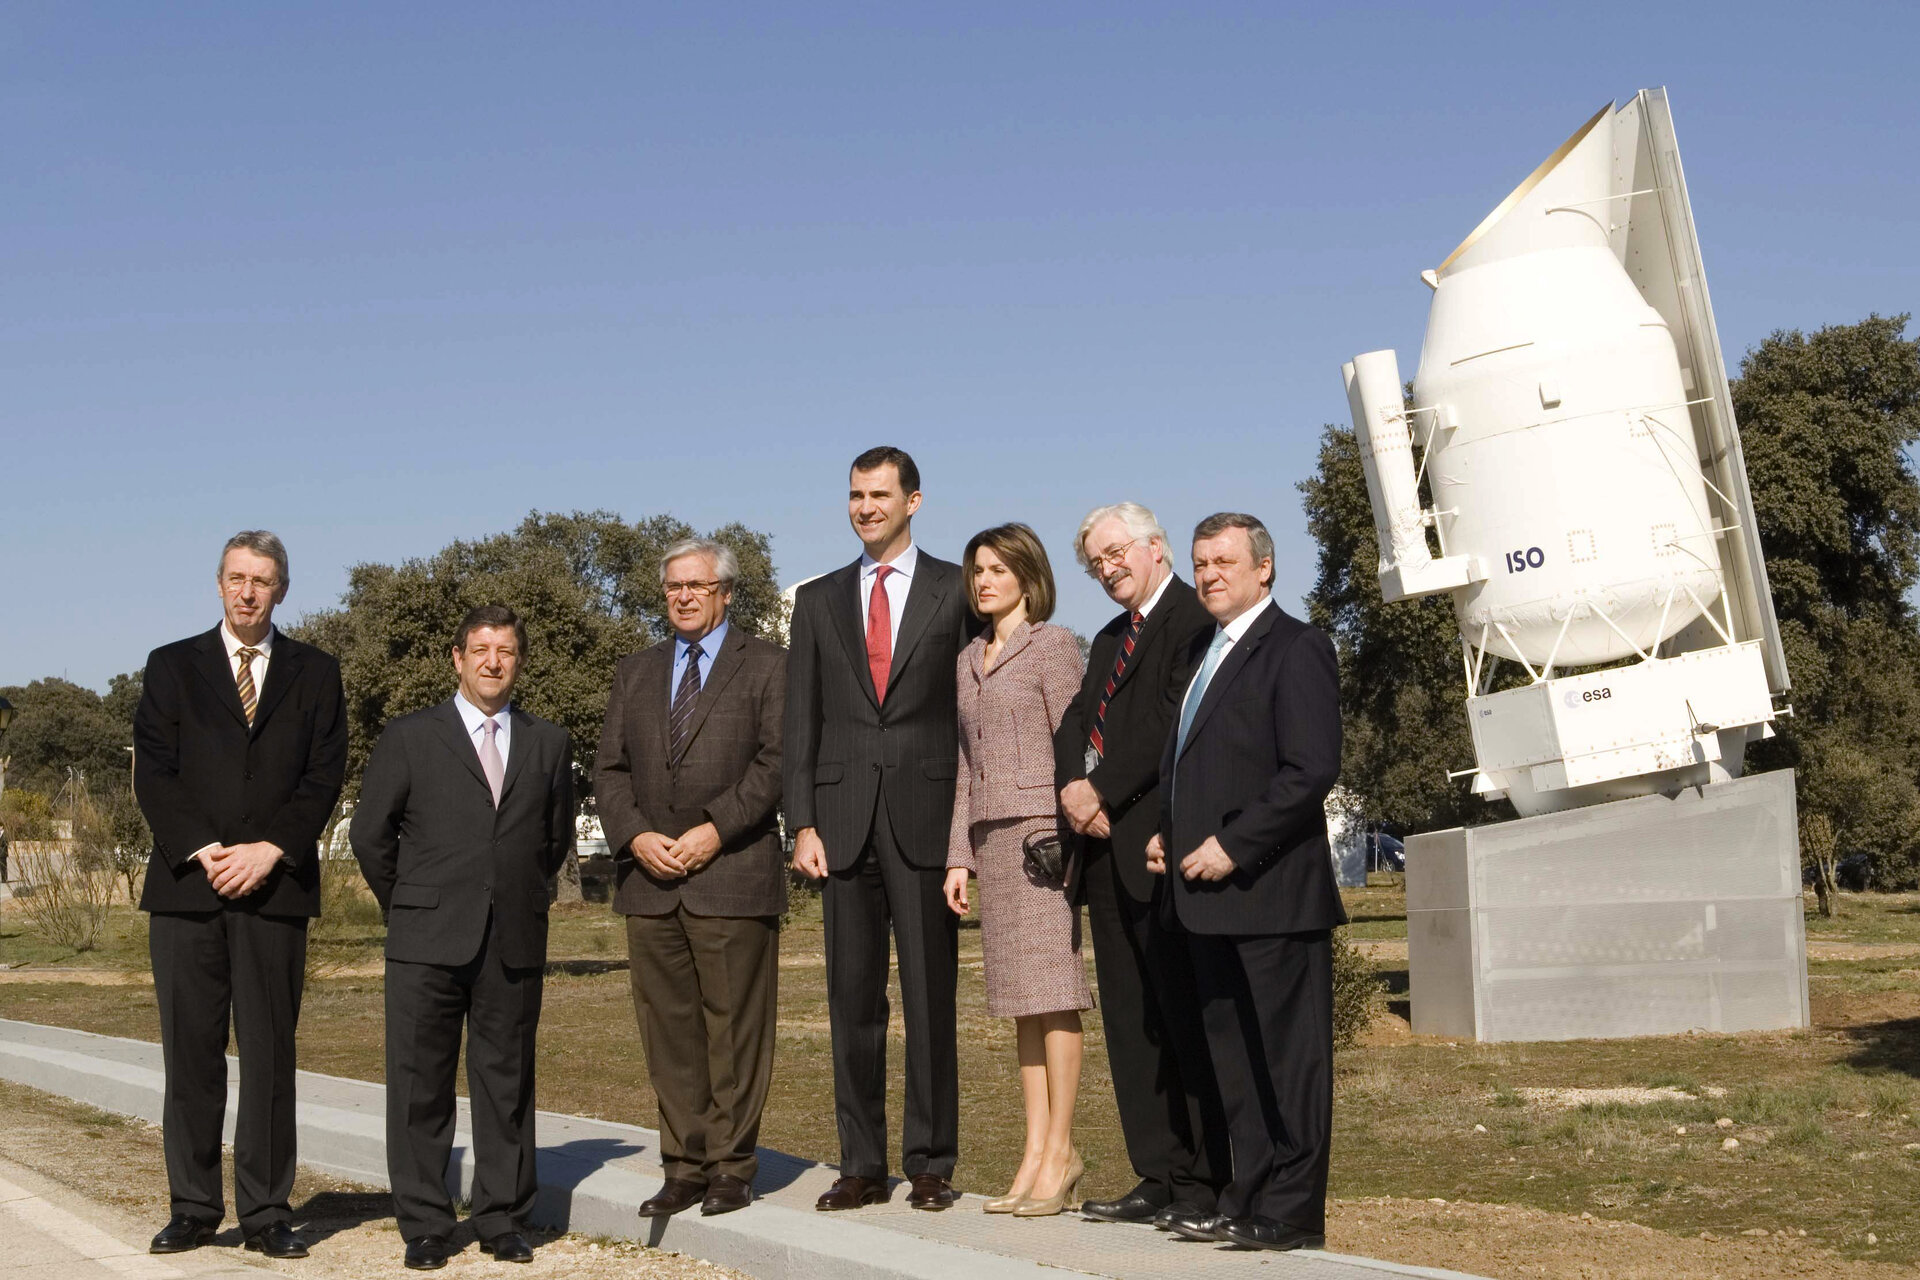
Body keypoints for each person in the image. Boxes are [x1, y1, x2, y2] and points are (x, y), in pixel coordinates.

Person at [132, 531, 347, 1259]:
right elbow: (155, 772)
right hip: (188, 889)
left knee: (268, 1057)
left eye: (262, 580)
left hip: (274, 891)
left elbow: (323, 776)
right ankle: (193, 1207)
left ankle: (265, 1212)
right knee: (190, 1057)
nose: (247, 591)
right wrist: (205, 850)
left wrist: (270, 850)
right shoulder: (171, 667)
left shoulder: (317, 673)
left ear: (281, 590)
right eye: (236, 578)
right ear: (219, 584)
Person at [349, 606, 575, 1270]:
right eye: (480, 649)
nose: (492, 661)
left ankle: (502, 1216)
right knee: (419, 1084)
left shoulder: (548, 743)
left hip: (512, 939)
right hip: (424, 941)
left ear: (519, 661)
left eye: (505, 650)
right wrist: (410, 904)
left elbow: (552, 840)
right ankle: (424, 1222)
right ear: (457, 657)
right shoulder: (411, 737)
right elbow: (370, 836)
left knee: (506, 1084)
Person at [1147, 513, 1345, 1253]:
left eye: (1224, 561)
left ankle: (1292, 1211)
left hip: (1272, 895)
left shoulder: (1296, 648)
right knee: (1236, 1063)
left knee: (1289, 1066)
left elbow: (1310, 769)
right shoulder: (1204, 650)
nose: (1209, 575)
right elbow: (1190, 761)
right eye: (1200, 564)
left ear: (1265, 568)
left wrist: (1232, 845)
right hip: (1205, 903)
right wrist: (1169, 829)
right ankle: (1248, 1195)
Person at [784, 445, 974, 1211]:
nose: (865, 507)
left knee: (931, 1001)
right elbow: (803, 719)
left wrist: (970, 831)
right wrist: (801, 821)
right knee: (852, 1002)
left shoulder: (957, 591)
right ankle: (860, 1164)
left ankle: (930, 1163)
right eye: (856, 495)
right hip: (840, 825)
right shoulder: (818, 598)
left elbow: (974, 716)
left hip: (927, 821)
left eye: (880, 494)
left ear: (914, 502)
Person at [594, 538, 787, 1220]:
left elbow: (776, 762)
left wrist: (713, 829)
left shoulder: (767, 666)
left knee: (734, 1030)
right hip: (650, 882)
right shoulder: (635, 672)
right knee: (668, 1033)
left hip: (731, 874)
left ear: (725, 593)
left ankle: (732, 1168)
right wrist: (636, 835)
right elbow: (609, 770)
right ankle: (683, 1165)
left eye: (696, 586)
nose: (682, 596)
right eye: (673, 585)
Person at [1051, 503, 1228, 1229]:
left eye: (1116, 552)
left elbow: (1166, 722)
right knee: (1130, 1025)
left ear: (1157, 547)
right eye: (1096, 562)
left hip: (1159, 848)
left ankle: (1201, 1182)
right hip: (1103, 853)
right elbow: (1073, 722)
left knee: (1180, 1021)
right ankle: (1154, 1171)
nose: (1107, 567)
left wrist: (1101, 788)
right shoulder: (1108, 638)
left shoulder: (1192, 622)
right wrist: (1071, 788)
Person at [941, 523, 1089, 1216]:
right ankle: (1033, 1152)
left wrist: (1073, 834)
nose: (985, 580)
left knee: (1054, 997)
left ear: (1029, 577)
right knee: (1018, 1007)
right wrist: (957, 858)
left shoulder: (1053, 647)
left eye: (998, 569)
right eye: (978, 570)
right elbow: (966, 766)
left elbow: (1079, 746)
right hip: (992, 845)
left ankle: (1061, 1151)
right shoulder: (969, 658)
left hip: (1043, 843)